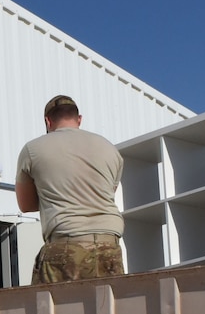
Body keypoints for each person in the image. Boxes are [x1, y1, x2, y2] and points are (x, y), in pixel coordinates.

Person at [16, 94, 127, 282]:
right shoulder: (110, 149)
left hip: (65, 246)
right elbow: (107, 194)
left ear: (47, 121)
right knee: (107, 309)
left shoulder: (32, 150)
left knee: (56, 310)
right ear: (79, 119)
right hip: (109, 246)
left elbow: (26, 205)